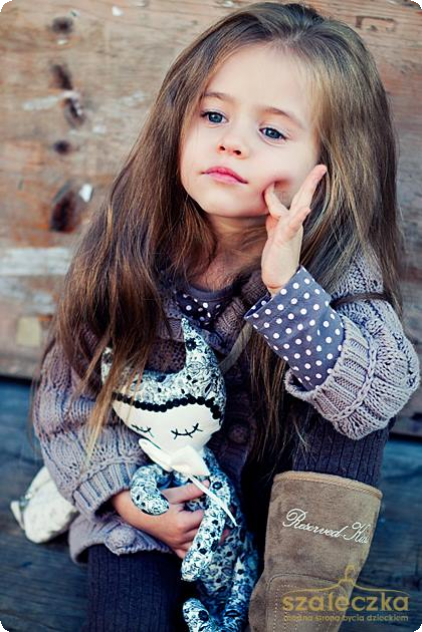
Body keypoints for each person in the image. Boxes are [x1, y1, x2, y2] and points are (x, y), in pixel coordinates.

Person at [30, 2, 420, 631]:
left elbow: (380, 397)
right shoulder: (131, 248)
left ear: (329, 165)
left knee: (345, 394)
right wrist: (129, 501)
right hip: (158, 505)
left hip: (281, 524)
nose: (231, 141)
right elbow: (68, 398)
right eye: (213, 115)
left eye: (273, 132)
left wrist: (288, 289)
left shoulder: (338, 268)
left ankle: (294, 610)